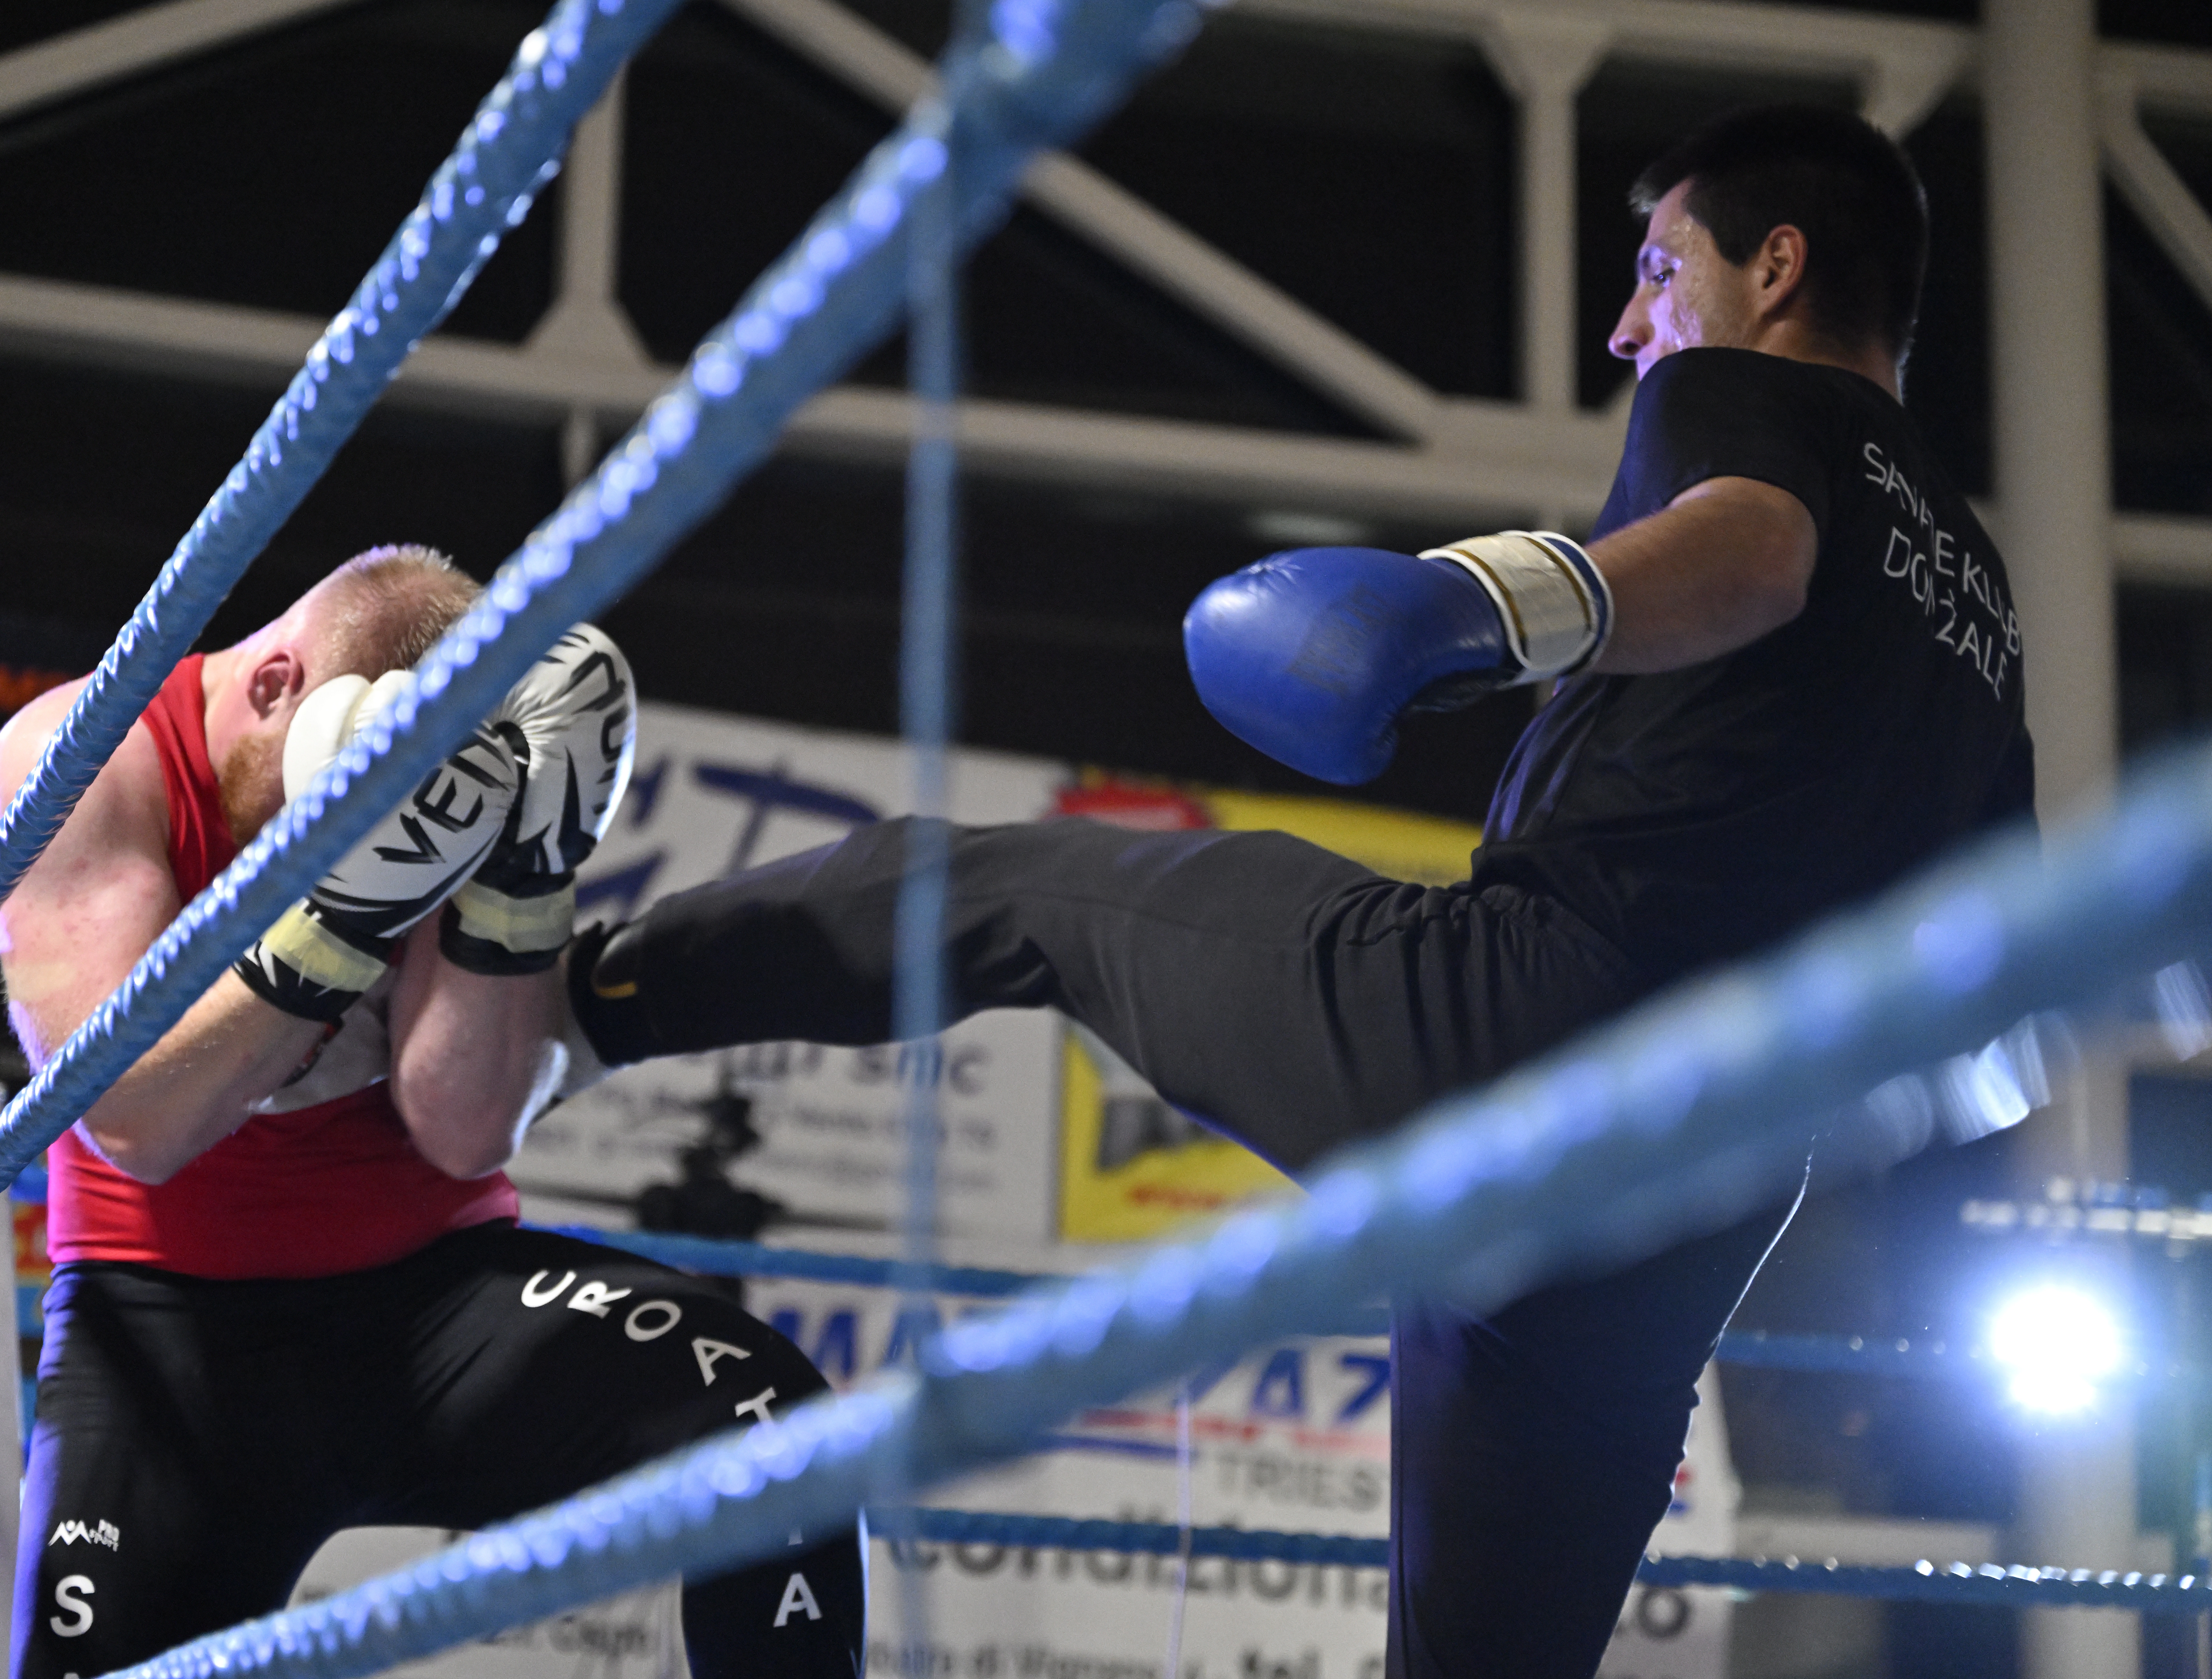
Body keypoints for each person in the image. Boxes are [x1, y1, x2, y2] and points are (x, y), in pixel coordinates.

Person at [559, 105, 2033, 1677]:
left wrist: (1482, 603)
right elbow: (1996, 990)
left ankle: (578, 1002)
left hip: (1523, 1021)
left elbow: (1757, 551)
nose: (1630, 324)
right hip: (1703, 1202)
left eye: (1662, 268)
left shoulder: (1742, 398)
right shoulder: (1984, 597)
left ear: (1778, 268)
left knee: (1020, 888)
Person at [0, 546, 864, 1679]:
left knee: (774, 1426)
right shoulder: (90, 758)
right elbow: (132, 1123)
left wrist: (527, 874)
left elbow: (465, 1128)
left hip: (432, 1308)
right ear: (272, 688)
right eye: (312, 789)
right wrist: (342, 915)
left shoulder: (474, 763)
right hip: (163, 1320)